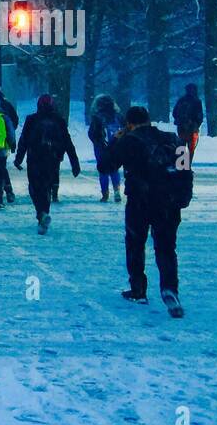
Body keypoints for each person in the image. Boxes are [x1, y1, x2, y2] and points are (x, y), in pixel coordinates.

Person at [97, 105, 190, 317]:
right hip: (168, 201)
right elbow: (185, 169)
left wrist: (115, 140)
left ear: (129, 124)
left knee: (135, 243)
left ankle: (138, 289)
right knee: (166, 247)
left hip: (141, 200)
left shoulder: (129, 141)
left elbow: (105, 165)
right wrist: (183, 197)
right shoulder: (173, 139)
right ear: (149, 120)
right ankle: (170, 288)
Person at [14, 94, 81, 234]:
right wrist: (74, 163)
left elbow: (24, 140)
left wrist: (19, 158)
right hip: (52, 160)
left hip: (34, 159)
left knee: (34, 188)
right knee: (46, 189)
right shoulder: (59, 121)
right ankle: (44, 214)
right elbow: (68, 142)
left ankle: (41, 214)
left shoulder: (31, 120)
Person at [87, 93, 124, 203]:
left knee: (103, 169)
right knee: (114, 168)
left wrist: (98, 142)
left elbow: (92, 133)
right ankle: (117, 190)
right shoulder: (118, 116)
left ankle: (105, 193)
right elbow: (125, 129)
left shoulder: (97, 117)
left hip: (101, 147)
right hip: (116, 146)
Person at [172, 83, 203, 161]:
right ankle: (188, 166)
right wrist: (196, 124)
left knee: (181, 147)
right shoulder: (197, 101)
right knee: (191, 148)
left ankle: (182, 166)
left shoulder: (181, 100)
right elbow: (199, 116)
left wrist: (180, 121)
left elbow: (174, 113)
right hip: (192, 128)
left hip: (181, 127)